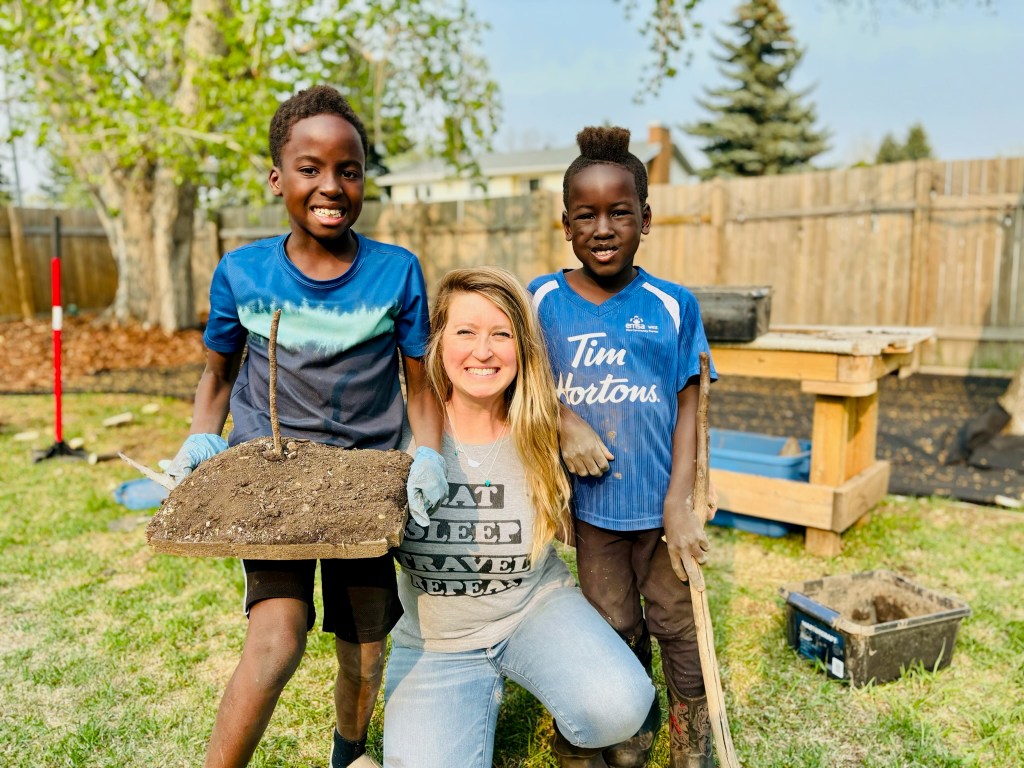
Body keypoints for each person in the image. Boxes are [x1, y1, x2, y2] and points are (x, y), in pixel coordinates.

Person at [164, 85, 447, 768]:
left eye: (348, 170)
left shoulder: (397, 272)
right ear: (277, 178)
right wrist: (203, 435)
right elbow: (218, 376)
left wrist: (430, 453)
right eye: (310, 168)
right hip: (273, 480)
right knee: (277, 638)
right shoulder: (241, 273)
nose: (331, 185)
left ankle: (348, 754)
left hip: (364, 488)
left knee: (366, 651)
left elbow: (421, 383)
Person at [382, 267, 655, 768]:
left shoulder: (540, 427)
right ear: (438, 342)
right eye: (465, 332)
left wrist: (693, 491)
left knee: (619, 706)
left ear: (522, 346)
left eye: (501, 334)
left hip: (534, 609)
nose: (482, 351)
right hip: (436, 639)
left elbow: (641, 439)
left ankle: (570, 739)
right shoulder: (400, 433)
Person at [528, 126, 718, 768]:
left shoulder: (673, 304)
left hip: (660, 508)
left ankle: (692, 742)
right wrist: (563, 420)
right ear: (565, 224)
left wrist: (679, 502)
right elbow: (517, 384)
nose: (603, 228)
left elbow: (691, 402)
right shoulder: (541, 301)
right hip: (592, 512)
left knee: (677, 624)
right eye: (587, 215)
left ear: (646, 218)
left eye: (620, 213)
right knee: (613, 625)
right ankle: (631, 721)